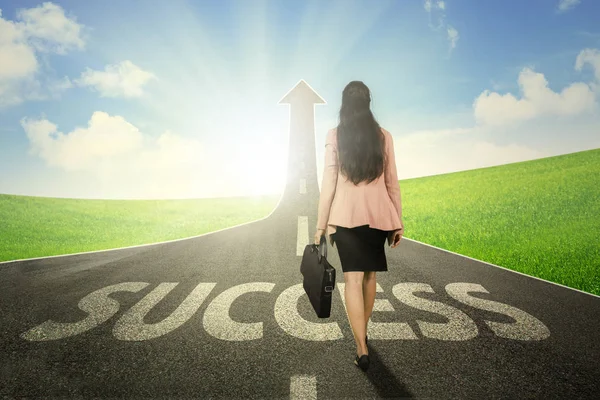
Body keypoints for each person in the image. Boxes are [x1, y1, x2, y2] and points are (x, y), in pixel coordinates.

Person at [314, 80, 404, 372]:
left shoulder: (335, 135)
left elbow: (328, 184)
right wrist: (397, 221)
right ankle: (362, 335)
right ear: (368, 103)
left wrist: (320, 225)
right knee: (369, 279)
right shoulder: (384, 136)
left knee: (351, 280)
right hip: (378, 218)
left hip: (345, 217)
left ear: (344, 104)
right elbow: (392, 181)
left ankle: (361, 346)